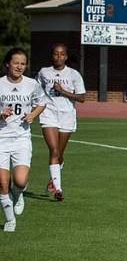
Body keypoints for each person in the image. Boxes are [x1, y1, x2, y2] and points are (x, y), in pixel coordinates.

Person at [0, 48, 47, 232]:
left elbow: (41, 102)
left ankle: (18, 195)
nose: (19, 66)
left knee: (19, 181)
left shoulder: (31, 84)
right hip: (1, 139)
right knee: (3, 183)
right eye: (15, 62)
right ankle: (10, 220)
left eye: (22, 63)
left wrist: (32, 115)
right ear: (7, 64)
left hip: (21, 138)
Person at [36, 43, 86, 200]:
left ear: (66, 56)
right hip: (49, 114)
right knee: (54, 151)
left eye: (62, 54)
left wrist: (63, 91)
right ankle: (58, 189)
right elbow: (36, 91)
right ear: (52, 55)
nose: (59, 57)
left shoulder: (74, 74)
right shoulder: (44, 72)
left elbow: (82, 98)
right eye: (56, 54)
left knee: (60, 154)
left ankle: (54, 176)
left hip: (67, 115)